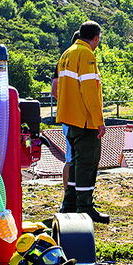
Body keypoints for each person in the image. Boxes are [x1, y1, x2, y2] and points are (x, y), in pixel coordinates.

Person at [55, 21, 109, 224]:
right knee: (87, 164)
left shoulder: (67, 53)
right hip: (84, 120)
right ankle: (85, 207)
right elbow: (89, 92)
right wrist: (98, 121)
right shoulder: (86, 54)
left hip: (69, 118)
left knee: (77, 163)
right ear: (96, 38)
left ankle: (69, 205)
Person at [50, 31, 80, 211]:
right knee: (71, 158)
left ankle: (70, 197)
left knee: (71, 157)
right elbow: (55, 89)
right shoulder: (73, 60)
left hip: (67, 116)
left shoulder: (63, 59)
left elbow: (55, 89)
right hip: (73, 118)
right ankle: (69, 199)